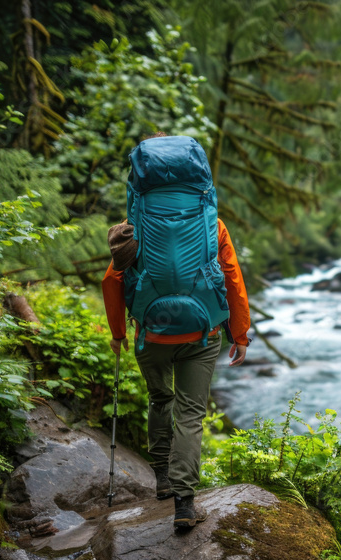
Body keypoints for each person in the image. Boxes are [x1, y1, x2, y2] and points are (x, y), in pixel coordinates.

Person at [102, 133, 251, 529]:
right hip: (201, 335)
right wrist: (240, 333)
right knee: (190, 414)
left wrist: (118, 332)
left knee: (159, 399)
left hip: (149, 333)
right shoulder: (211, 223)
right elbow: (232, 278)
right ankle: (185, 505)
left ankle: (163, 479)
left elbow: (113, 280)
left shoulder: (129, 230)